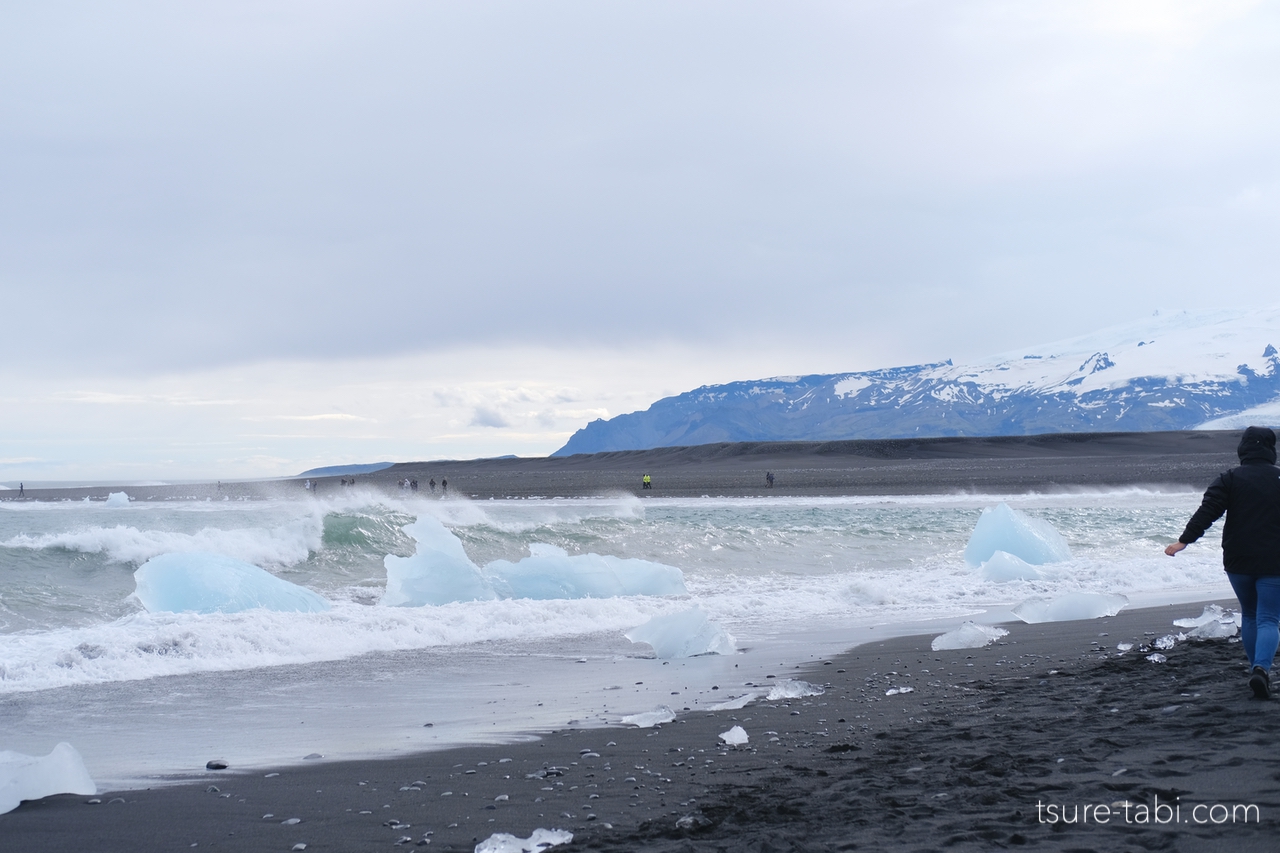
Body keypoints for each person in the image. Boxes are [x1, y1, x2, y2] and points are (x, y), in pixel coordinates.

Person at [1166, 426, 1280, 699]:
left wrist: (1184, 541)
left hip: (1238, 561)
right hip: (1275, 562)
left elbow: (1208, 512)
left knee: (1250, 614)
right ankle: (1261, 670)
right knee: (1269, 618)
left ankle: (1256, 670)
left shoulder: (1229, 478)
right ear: (1271, 449)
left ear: (1243, 449)